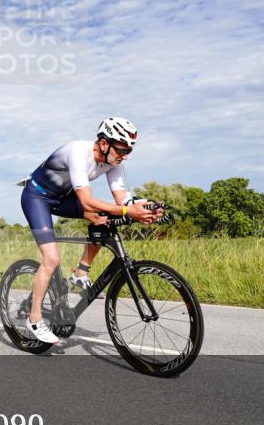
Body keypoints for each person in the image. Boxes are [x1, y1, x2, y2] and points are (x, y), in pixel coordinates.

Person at [18, 117, 161, 344]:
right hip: (37, 197)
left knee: (104, 218)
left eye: (129, 151)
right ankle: (34, 319)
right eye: (122, 149)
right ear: (104, 144)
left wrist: (147, 206)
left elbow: (123, 199)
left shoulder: (114, 164)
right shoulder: (78, 152)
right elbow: (86, 202)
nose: (125, 155)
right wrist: (127, 211)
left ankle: (81, 272)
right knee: (52, 258)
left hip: (62, 198)